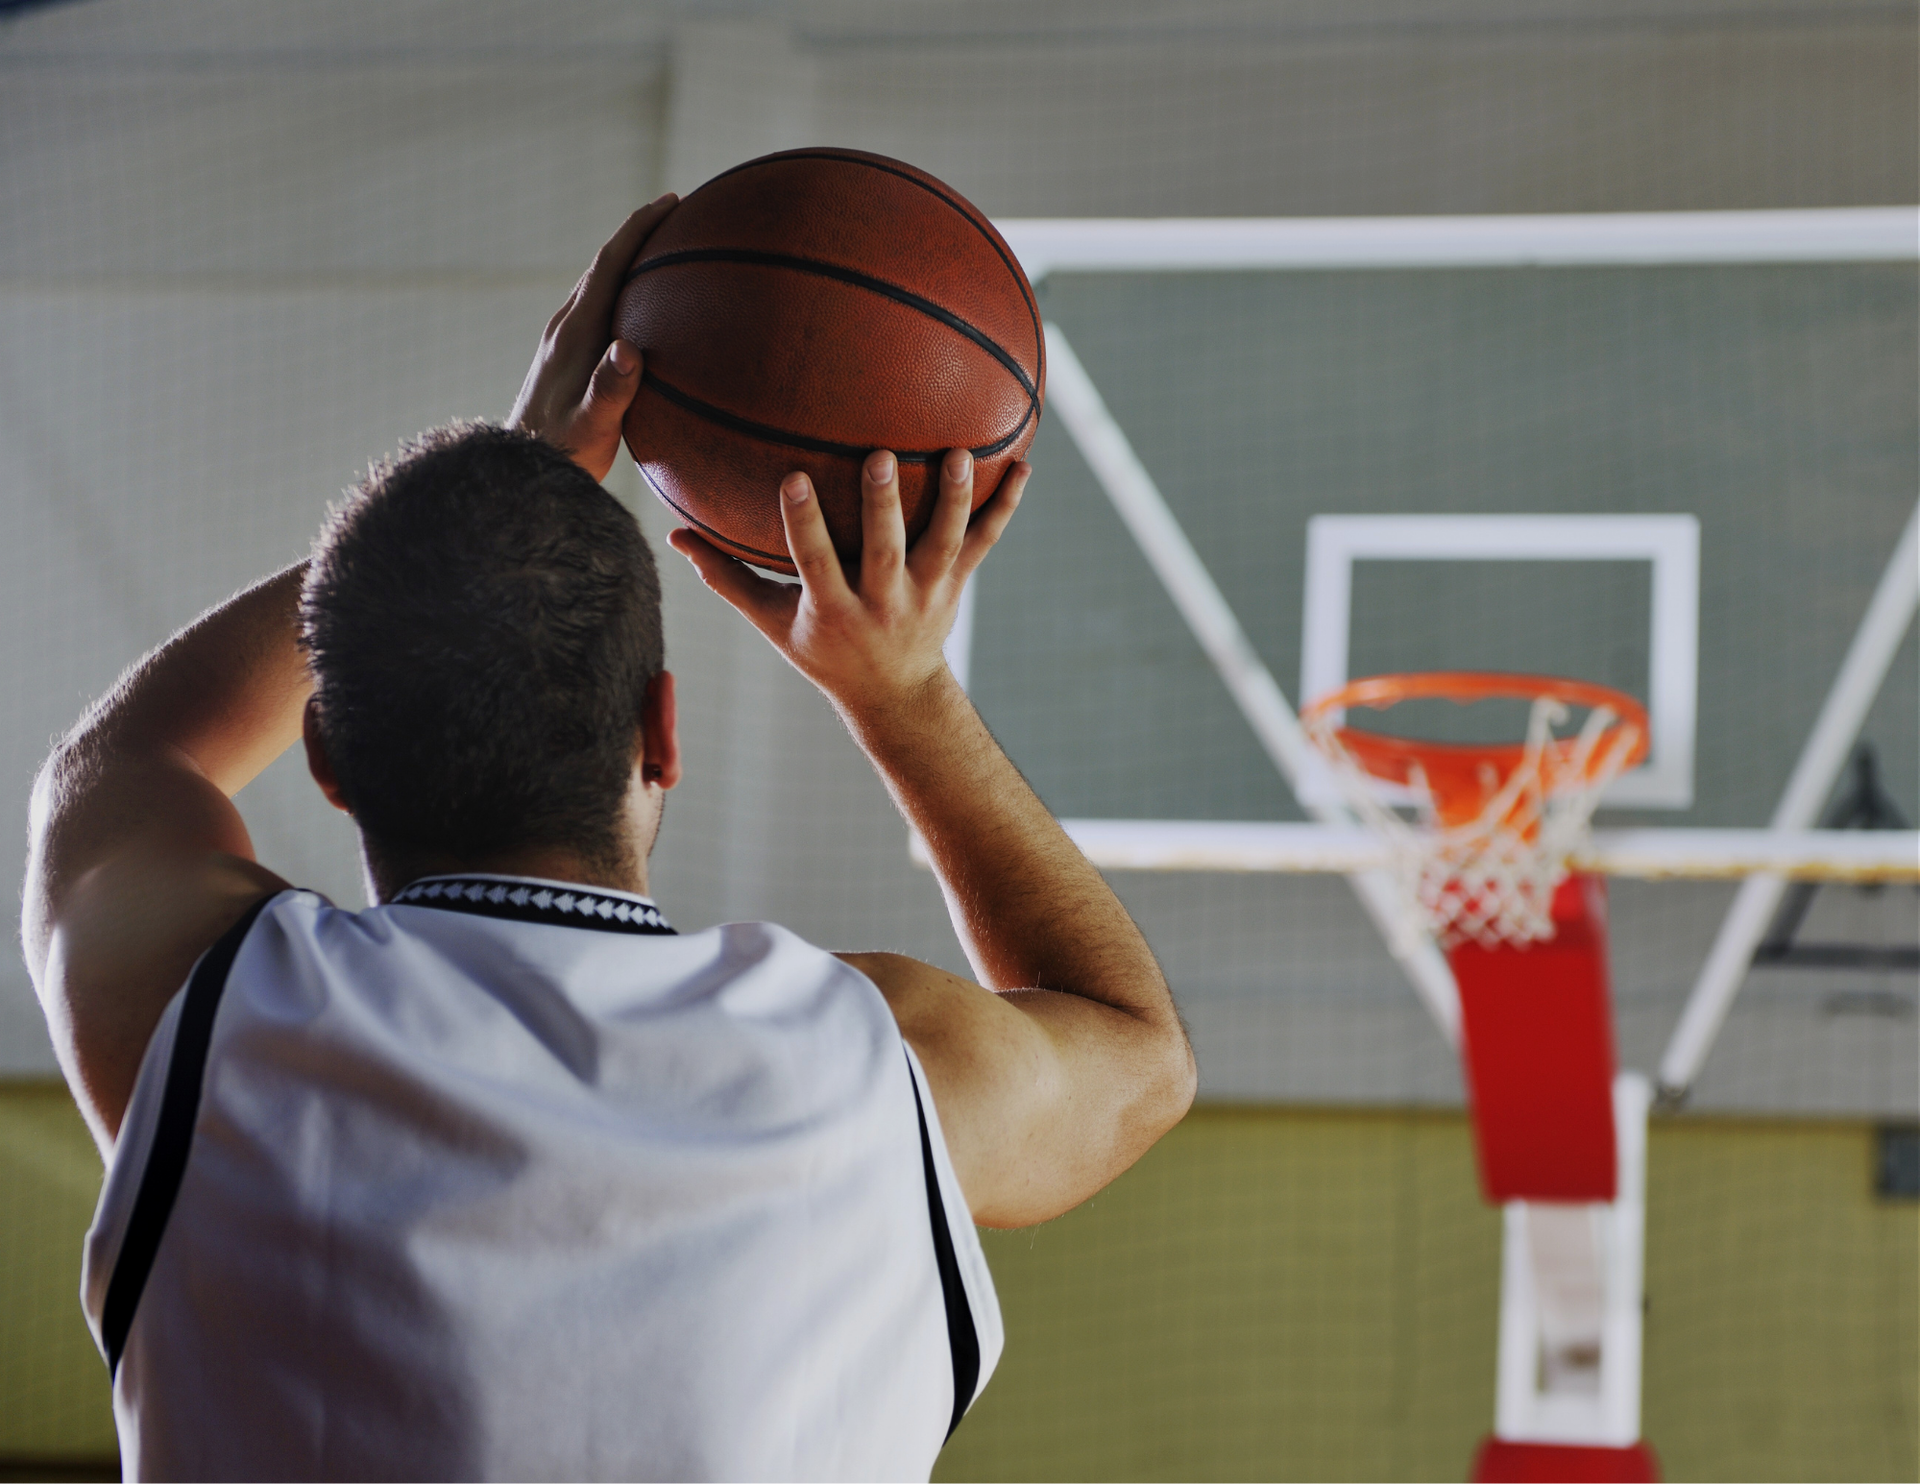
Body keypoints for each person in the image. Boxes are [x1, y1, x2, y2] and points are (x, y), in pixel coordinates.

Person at [23, 196, 1195, 1481]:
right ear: (662, 731)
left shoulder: (213, 1016)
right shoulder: (873, 1069)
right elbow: (1137, 1055)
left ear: (327, 755)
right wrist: (903, 694)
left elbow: (125, 763)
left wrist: (511, 476)